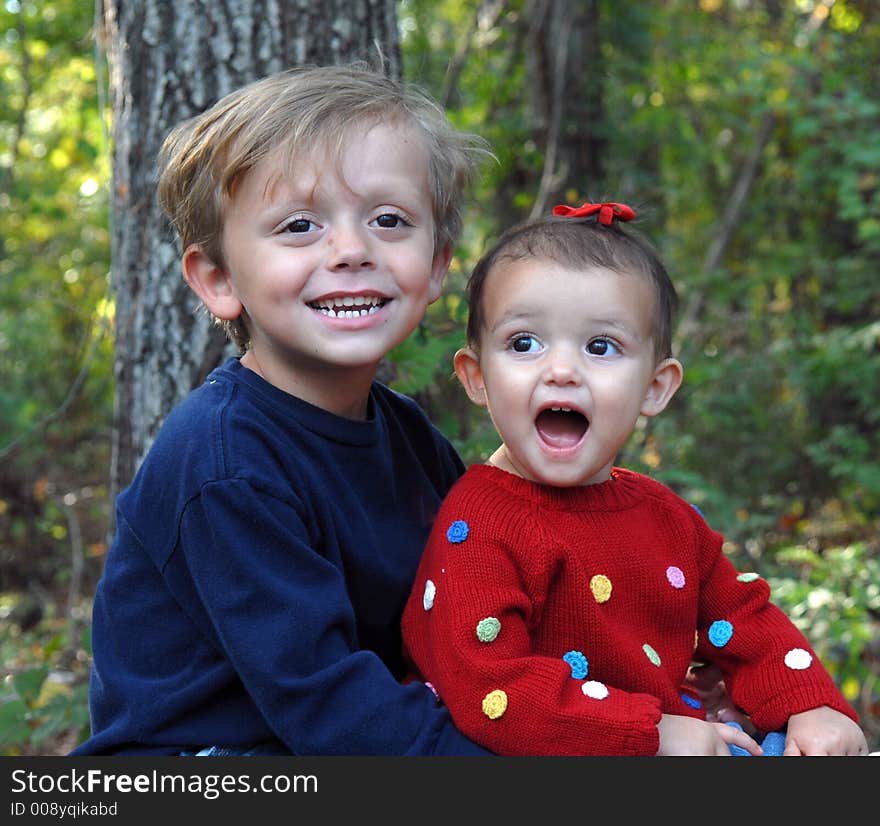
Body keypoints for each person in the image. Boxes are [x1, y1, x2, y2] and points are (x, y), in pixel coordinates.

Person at [71, 63, 498, 755]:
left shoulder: (413, 442)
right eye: (299, 226)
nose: (352, 249)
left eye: (389, 220)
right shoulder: (226, 464)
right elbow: (333, 707)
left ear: (439, 263)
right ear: (218, 280)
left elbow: (486, 615)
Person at [401, 201, 869, 756]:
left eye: (601, 347)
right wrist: (651, 732)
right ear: (477, 378)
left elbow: (741, 618)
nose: (561, 370)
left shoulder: (663, 515)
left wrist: (808, 703)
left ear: (655, 387)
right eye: (524, 343)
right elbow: (491, 692)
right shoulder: (479, 521)